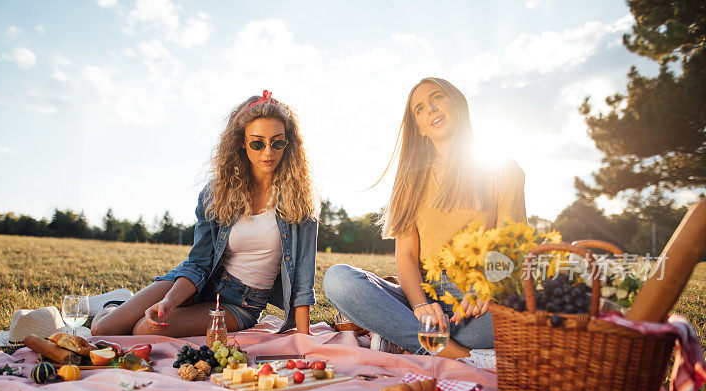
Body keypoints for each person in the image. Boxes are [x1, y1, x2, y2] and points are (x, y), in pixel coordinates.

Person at [323, 77, 526, 357]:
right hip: (420, 298)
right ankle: (457, 354)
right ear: (418, 129)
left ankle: (404, 335)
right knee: (338, 279)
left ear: (458, 103)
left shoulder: (503, 168)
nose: (430, 109)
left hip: (474, 305)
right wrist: (420, 306)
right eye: (419, 109)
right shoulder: (412, 179)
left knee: (541, 306)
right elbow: (406, 255)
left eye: (437, 98)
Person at [92, 91, 318, 338]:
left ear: (289, 143)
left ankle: (130, 306)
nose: (268, 152)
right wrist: (169, 301)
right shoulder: (216, 193)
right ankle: (117, 303)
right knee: (103, 329)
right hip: (198, 283)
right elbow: (199, 262)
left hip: (240, 304)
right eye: (257, 143)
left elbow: (302, 280)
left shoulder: (300, 199)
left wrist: (304, 340)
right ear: (242, 142)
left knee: (143, 331)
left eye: (277, 142)